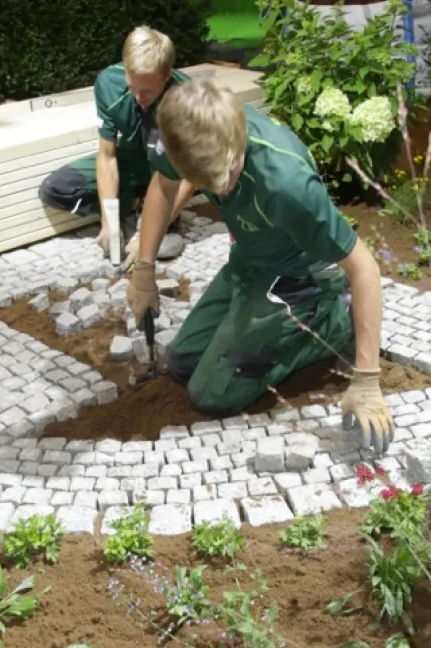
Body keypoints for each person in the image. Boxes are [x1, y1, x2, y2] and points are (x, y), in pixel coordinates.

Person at [125, 78, 395, 453]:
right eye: (210, 182)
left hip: (300, 276)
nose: (221, 191)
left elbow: (364, 268)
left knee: (211, 396)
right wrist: (144, 269)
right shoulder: (186, 128)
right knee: (181, 362)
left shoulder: (287, 184)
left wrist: (367, 379)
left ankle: (333, 321)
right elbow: (164, 186)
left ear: (239, 142)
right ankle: (265, 319)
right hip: (250, 262)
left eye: (230, 173)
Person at [37, 26, 192, 266]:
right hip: (129, 162)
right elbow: (107, 156)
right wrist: (108, 222)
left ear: (168, 75)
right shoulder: (108, 83)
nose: (140, 97)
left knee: (158, 242)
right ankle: (132, 207)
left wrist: (145, 238)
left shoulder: (189, 95)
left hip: (166, 169)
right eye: (133, 88)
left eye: (149, 91)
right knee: (56, 189)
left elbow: (192, 174)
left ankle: (161, 217)